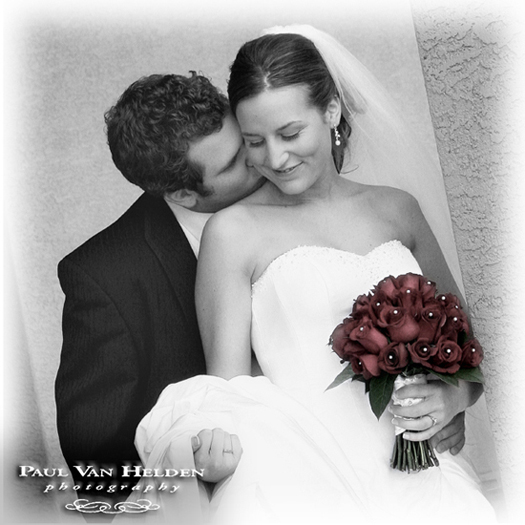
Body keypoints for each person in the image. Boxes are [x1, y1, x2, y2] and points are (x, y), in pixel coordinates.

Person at [136, 26, 500, 523]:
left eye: (289, 134)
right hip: (309, 476)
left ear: (330, 111)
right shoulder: (233, 232)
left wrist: (453, 398)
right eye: (254, 143)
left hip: (423, 471)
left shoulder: (397, 209)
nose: (275, 159)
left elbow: (465, 347)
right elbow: (228, 391)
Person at [54, 73, 255, 510]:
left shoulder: (299, 190)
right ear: (183, 194)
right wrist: (192, 474)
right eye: (234, 163)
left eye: (247, 141)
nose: (261, 160)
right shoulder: (106, 276)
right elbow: (99, 464)